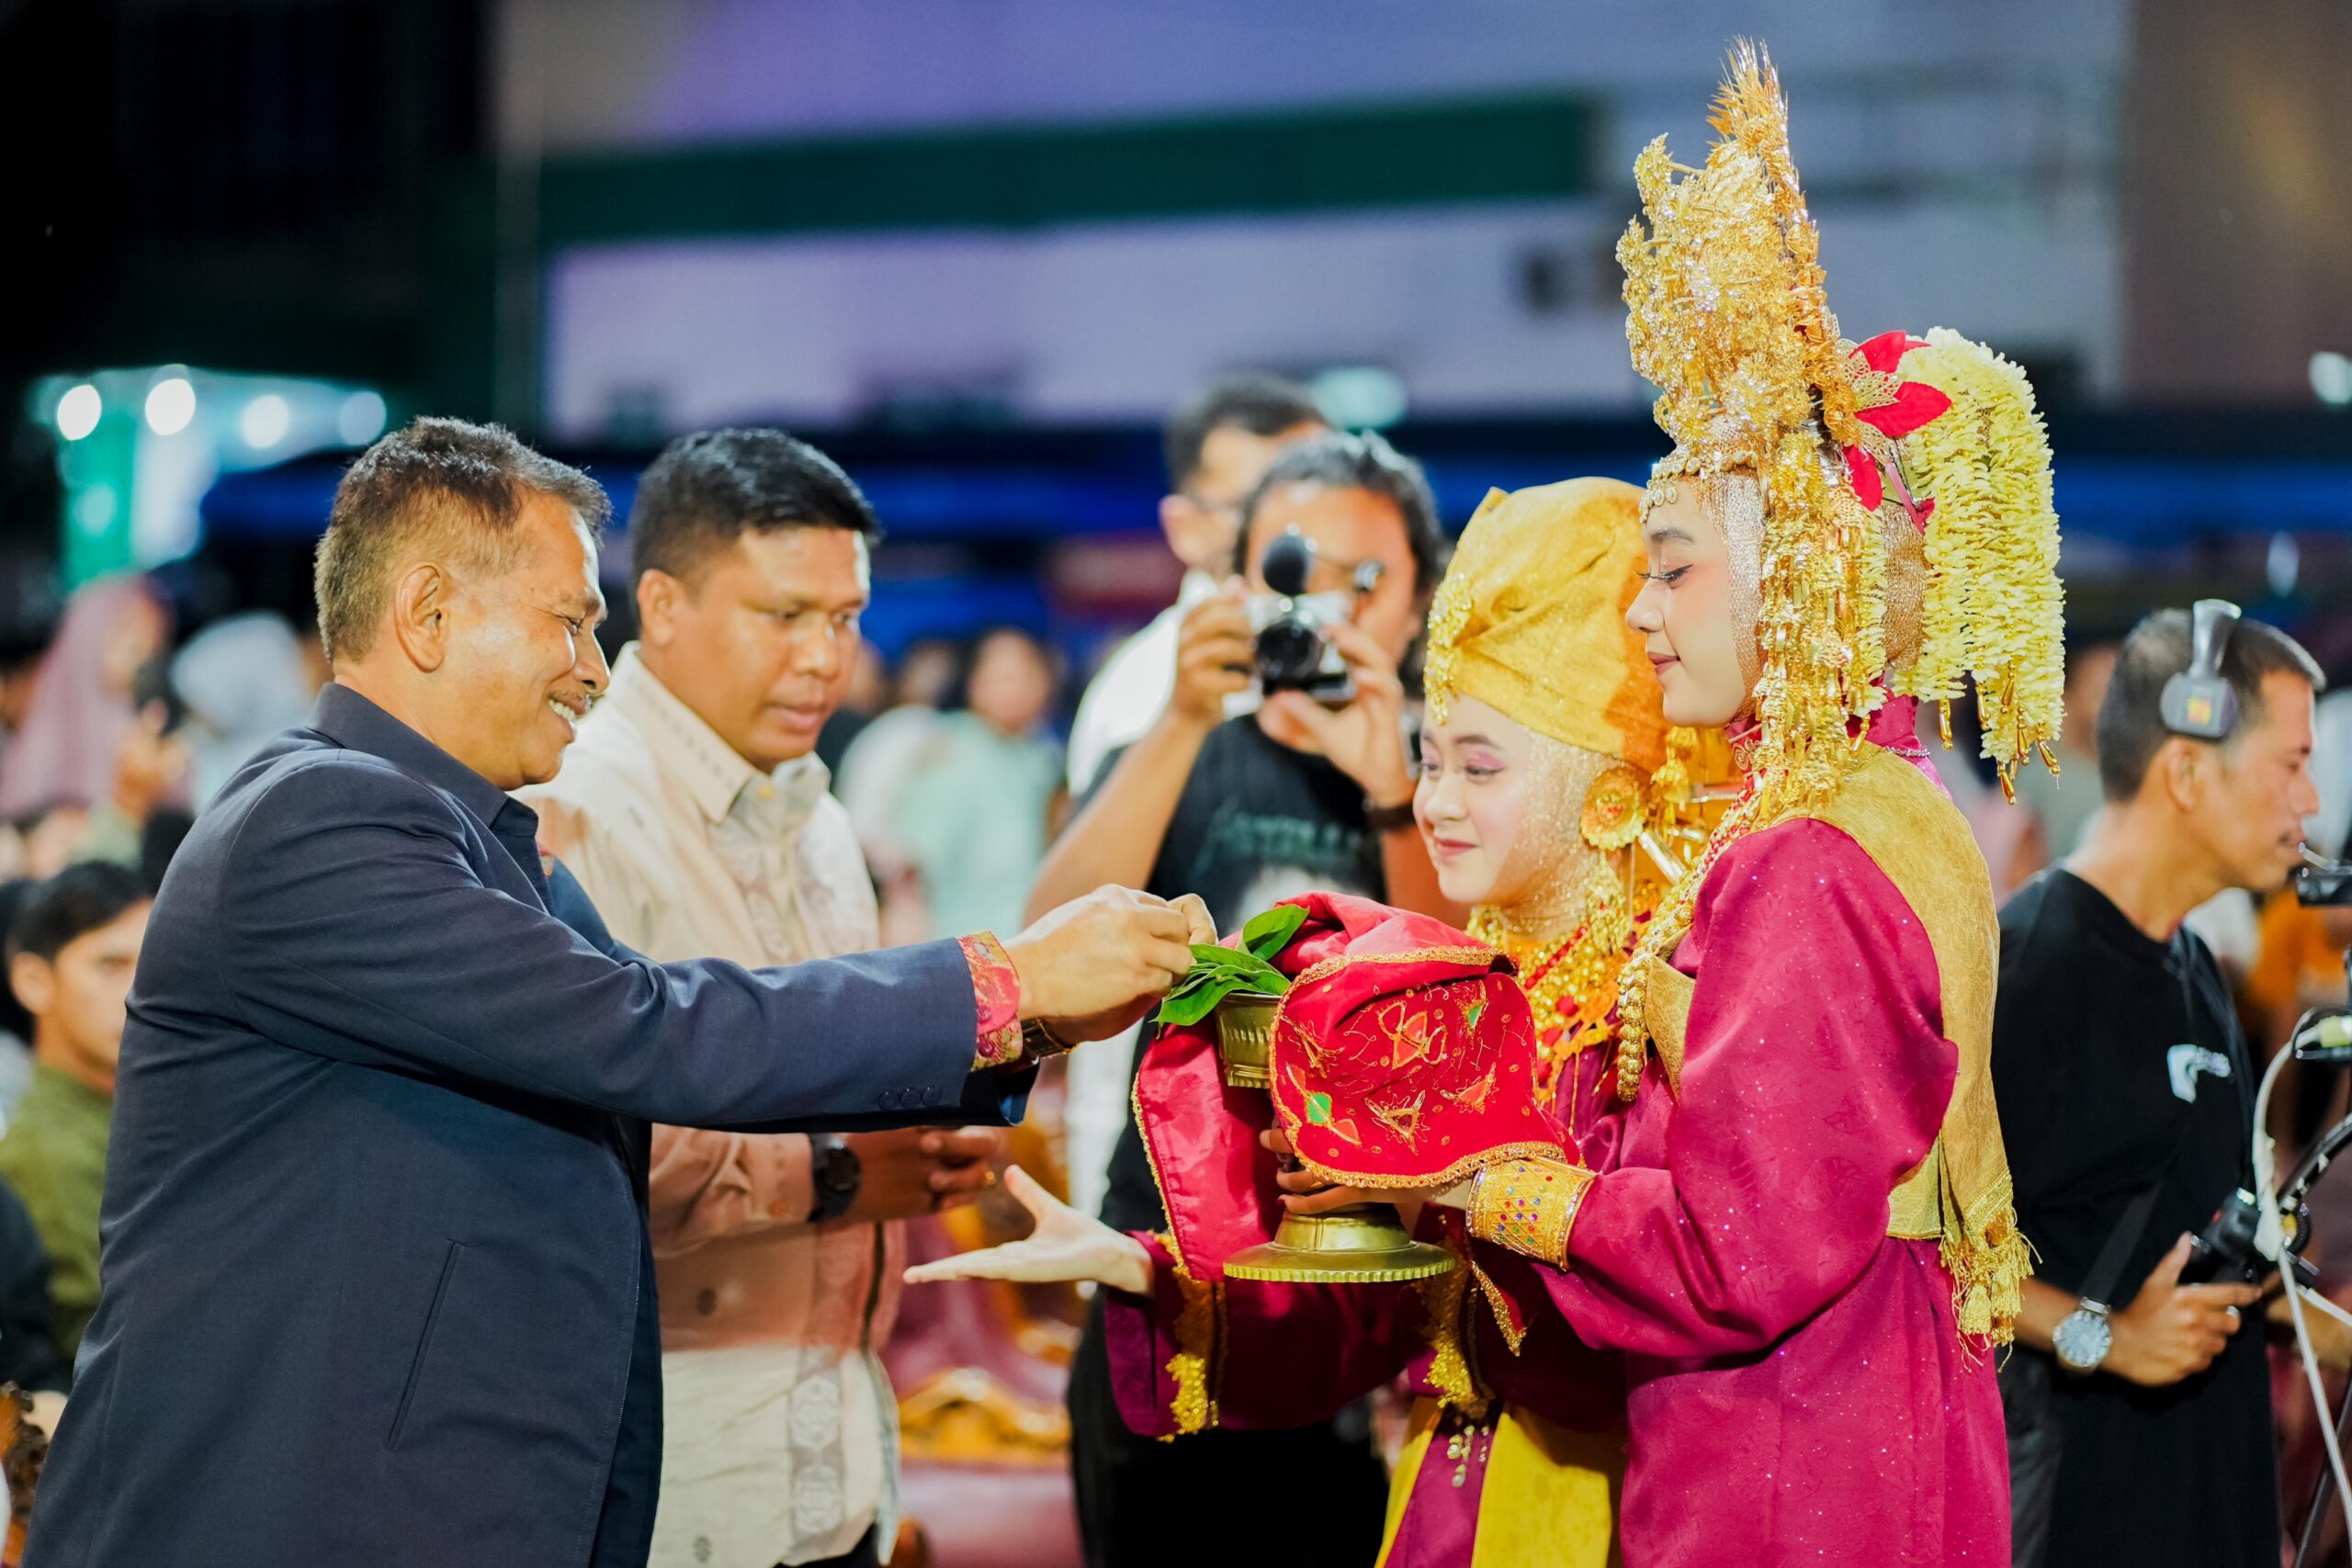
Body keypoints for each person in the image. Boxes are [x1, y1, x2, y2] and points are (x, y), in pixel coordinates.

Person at [21, 417, 1205, 1568]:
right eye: (573, 623)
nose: (595, 668)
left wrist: (1014, 1017)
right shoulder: (316, 817)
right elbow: (650, 1028)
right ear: (428, 615)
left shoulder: (477, 835)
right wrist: (1006, 982)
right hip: (304, 1505)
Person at [1400, 47, 2064, 1566]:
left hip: (1789, 1455)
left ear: (1812, 569)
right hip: (1873, 1409)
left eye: (1678, 557)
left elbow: (1732, 1249)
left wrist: (1504, 1183)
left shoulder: (1809, 859)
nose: (1642, 610)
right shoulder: (1892, 807)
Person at [916, 477, 1733, 1567]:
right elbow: (1403, 1281)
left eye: (1474, 766)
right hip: (1415, 1436)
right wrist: (1135, 1266)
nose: (1441, 798)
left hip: (1601, 1475)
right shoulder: (1201, 753)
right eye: (1432, 762)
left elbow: (1713, 1268)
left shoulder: (1647, 983)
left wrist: (1444, 1179)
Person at [520, 427, 1007, 1568]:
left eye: (842, 620)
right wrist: (834, 1175)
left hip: (834, 1471)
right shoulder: (579, 813)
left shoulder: (821, 815)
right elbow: (572, 1162)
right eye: (782, 616)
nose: (823, 660)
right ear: (663, 604)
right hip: (668, 1489)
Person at [1027, 427, 1452, 1568]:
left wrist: (1390, 793)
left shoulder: (1447, 776)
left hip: (1361, 1283)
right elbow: (1043, 941)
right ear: (1242, 578)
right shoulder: (1185, 745)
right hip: (1163, 1266)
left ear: (1418, 601)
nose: (1334, 611)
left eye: (1371, 582)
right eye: (1297, 572)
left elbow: (1457, 999)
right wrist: (1175, 718)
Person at [1994, 607, 2324, 1568]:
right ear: (2185, 770)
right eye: (2288, 763)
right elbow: (1923, 1251)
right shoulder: (2032, 966)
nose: (2309, 801)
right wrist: (2105, 1338)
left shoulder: (2190, 966)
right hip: (2082, 1522)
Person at [1063, 374, 1327, 798]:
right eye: (1253, 507)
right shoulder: (1143, 689)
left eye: (1322, 501)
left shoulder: (1389, 654)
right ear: (1184, 528)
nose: (1294, 532)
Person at [0, 863, 148, 1361]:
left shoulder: (124, 1117)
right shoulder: (46, 1154)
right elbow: (99, 1348)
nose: (139, 990)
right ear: (33, 980)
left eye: (149, 963)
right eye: (109, 965)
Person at [895, 627, 1065, 941]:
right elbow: (910, 874)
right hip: (965, 949)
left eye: (1027, 676)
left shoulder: (1044, 758)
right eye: (1003, 677)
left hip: (1032, 942)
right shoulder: (951, 754)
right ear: (976, 683)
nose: (1015, 690)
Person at [0, 578, 169, 821]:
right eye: (129, 637)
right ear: (89, 638)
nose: (144, 652)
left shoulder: (153, 727)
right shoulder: (44, 748)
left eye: (155, 643)